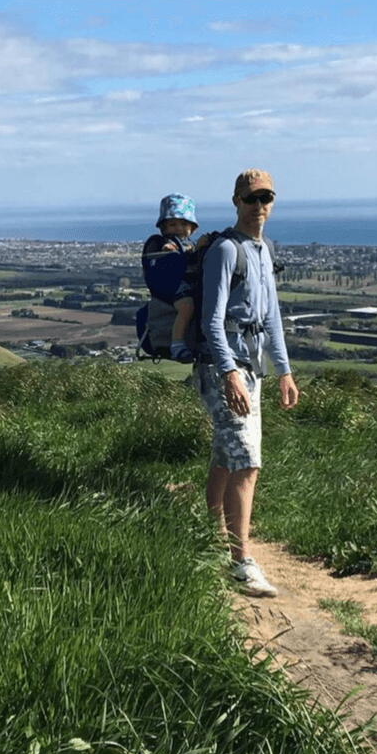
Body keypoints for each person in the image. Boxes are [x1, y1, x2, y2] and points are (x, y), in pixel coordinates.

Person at [194, 169, 299, 597]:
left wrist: (284, 371)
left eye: (266, 198)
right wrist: (229, 373)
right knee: (247, 463)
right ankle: (240, 563)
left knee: (226, 455)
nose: (260, 206)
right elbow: (210, 321)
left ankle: (213, 537)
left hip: (250, 369)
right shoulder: (225, 251)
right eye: (252, 198)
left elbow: (271, 316)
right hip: (225, 369)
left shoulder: (262, 249)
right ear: (236, 201)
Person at [142, 193, 208, 362]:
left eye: (183, 224)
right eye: (173, 224)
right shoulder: (164, 243)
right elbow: (168, 253)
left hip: (183, 285)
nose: (178, 228)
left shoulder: (188, 244)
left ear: (192, 227)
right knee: (187, 306)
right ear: (164, 227)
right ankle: (177, 345)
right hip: (171, 286)